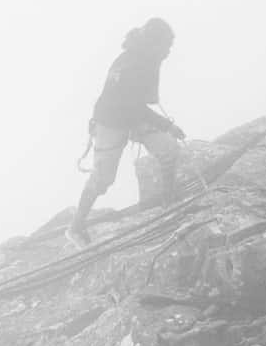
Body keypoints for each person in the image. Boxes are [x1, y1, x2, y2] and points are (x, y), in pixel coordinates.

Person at [70, 17, 185, 240]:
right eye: (165, 46)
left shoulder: (146, 58)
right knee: (103, 178)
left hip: (131, 116)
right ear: (153, 44)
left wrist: (165, 127)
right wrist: (168, 125)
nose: (168, 52)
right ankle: (75, 227)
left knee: (168, 150)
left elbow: (138, 105)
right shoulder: (133, 65)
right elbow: (135, 108)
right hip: (111, 122)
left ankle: (169, 201)